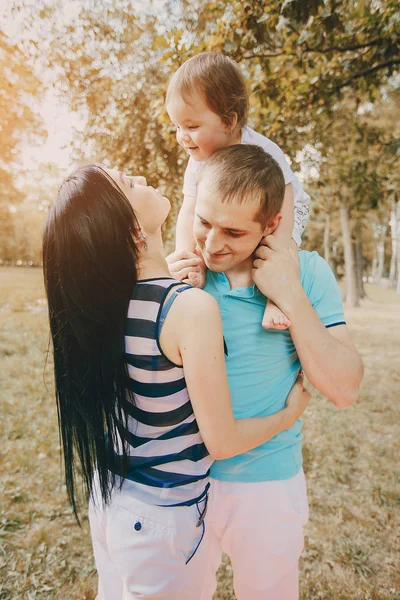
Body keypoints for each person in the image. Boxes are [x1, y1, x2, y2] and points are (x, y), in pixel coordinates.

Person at [42, 164, 310, 599]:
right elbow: (221, 441)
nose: (139, 176)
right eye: (127, 183)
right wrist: (288, 414)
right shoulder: (188, 309)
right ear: (132, 233)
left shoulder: (108, 298)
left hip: (109, 498)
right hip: (162, 517)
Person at [168, 144, 364, 599]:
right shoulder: (182, 269)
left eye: (233, 232)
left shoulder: (308, 272)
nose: (212, 244)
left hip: (267, 487)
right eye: (203, 222)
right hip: (181, 481)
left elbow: (344, 388)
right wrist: (170, 292)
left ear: (272, 226)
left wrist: (289, 294)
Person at [166, 51, 310, 331]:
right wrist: (188, 258)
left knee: (281, 248)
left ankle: (278, 297)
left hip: (284, 208)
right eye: (177, 126)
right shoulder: (197, 160)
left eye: (192, 126)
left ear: (229, 122)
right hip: (234, 217)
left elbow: (286, 204)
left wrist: (277, 251)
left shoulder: (264, 151)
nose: (182, 137)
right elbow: (188, 210)